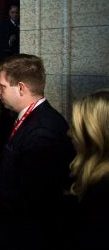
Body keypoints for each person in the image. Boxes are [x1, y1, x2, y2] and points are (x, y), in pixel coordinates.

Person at [0, 54, 75, 250]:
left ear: (21, 88)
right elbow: (23, 170)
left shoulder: (42, 129)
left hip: (26, 235)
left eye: (2, 86)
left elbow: (30, 198)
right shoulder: (30, 117)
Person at [69, 91, 109, 250]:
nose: (70, 133)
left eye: (76, 128)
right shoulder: (94, 178)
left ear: (94, 134)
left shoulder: (103, 189)